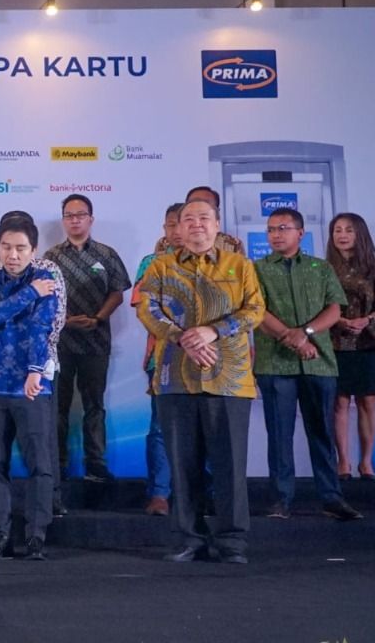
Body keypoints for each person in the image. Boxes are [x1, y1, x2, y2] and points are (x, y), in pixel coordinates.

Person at [136, 199, 263, 564]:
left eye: (203, 218)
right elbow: (148, 309)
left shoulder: (240, 266)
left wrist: (212, 331)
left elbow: (255, 310)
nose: (196, 225)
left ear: (217, 224)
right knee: (182, 463)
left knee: (230, 466)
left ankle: (232, 542)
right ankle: (188, 538)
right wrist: (183, 338)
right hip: (175, 377)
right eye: (187, 219)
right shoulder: (161, 267)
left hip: (229, 379)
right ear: (177, 227)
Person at [253, 208, 361, 521]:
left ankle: (331, 498)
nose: (276, 234)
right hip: (276, 363)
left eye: (283, 228)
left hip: (319, 363)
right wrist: (295, 340)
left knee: (322, 432)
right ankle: (280, 500)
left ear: (300, 233)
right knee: (279, 435)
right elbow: (257, 311)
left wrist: (307, 333)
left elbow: (334, 309)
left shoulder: (320, 267)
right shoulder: (256, 269)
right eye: (271, 229)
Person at [0, 215, 61, 561]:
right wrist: (29, 293)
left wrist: (35, 370)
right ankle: (0, 534)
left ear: (33, 250)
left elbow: (42, 327)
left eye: (21, 248)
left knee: (40, 464)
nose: (13, 255)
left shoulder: (47, 279)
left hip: (32, 384)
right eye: (6, 247)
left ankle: (36, 535)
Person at [44, 195, 131, 482]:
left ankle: (96, 464)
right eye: (69, 215)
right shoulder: (51, 257)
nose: (75, 220)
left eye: (80, 214)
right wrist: (65, 320)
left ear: (90, 219)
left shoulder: (107, 254)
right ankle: (58, 463)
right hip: (61, 343)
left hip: (96, 340)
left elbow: (117, 293)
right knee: (58, 407)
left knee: (95, 406)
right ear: (63, 220)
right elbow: (45, 297)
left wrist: (97, 319)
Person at [327, 213, 375, 480]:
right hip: (335, 341)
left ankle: (366, 462)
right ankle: (343, 462)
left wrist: (367, 320)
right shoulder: (322, 268)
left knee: (368, 401)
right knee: (339, 402)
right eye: (337, 230)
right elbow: (318, 306)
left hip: (369, 341)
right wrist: (339, 320)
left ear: (360, 235)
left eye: (349, 230)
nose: (342, 235)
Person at [131, 203, 184, 516]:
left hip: (206, 357)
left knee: (206, 428)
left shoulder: (215, 262)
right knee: (161, 428)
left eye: (182, 223)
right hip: (163, 356)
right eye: (170, 225)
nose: (176, 231)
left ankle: (204, 492)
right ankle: (159, 494)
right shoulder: (151, 263)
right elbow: (143, 306)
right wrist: (178, 334)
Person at [153, 186, 243, 254]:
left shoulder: (231, 244)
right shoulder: (166, 243)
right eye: (194, 203)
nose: (199, 207)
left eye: (206, 204)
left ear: (216, 213)